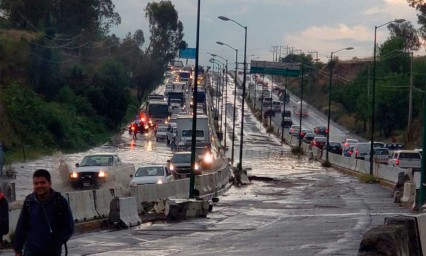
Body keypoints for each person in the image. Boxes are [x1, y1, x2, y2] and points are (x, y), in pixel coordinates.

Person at [14, 169, 74, 256]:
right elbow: (21, 226)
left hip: (52, 252)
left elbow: (69, 226)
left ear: (49, 183)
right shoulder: (29, 201)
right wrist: (17, 250)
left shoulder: (59, 201)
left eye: (42, 182)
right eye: (36, 183)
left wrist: (57, 242)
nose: (39, 186)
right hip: (31, 251)